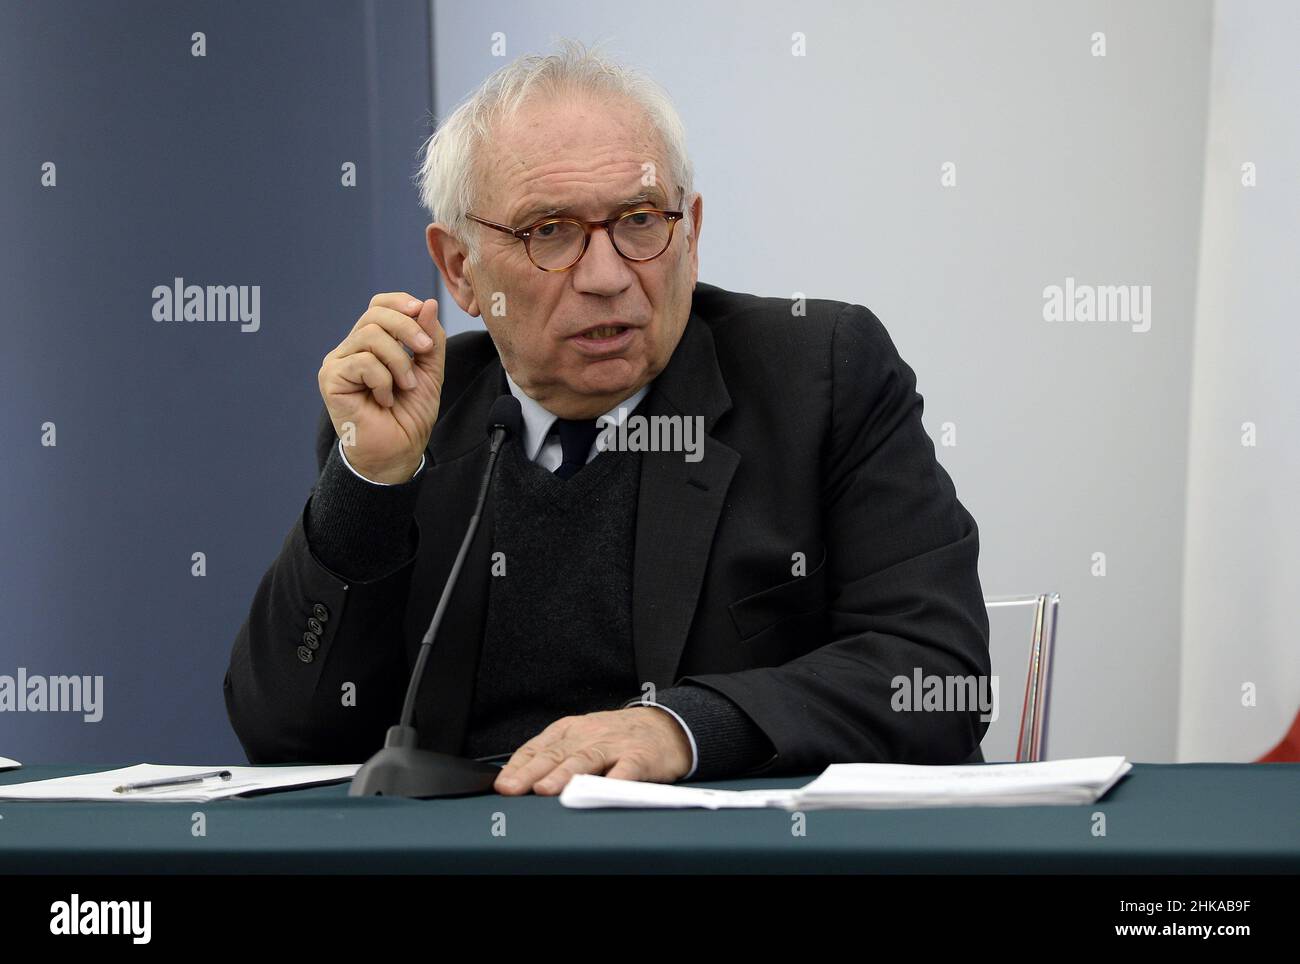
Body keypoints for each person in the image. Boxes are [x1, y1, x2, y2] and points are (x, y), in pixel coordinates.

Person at [224, 40, 991, 796]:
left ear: (689, 232)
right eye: (549, 230)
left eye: (638, 221)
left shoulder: (816, 376)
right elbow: (285, 732)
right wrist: (369, 486)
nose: (606, 276)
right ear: (460, 267)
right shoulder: (418, 415)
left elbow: (933, 673)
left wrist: (683, 729)